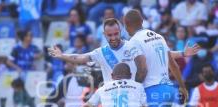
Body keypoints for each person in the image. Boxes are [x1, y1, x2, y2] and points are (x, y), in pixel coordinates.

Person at [48, 18, 200, 83]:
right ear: (104, 35)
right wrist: (62, 56)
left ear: (120, 31)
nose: (113, 37)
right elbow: (79, 58)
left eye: (116, 33)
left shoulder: (133, 45)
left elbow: (161, 53)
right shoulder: (101, 52)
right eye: (110, 35)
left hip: (133, 96)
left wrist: (182, 53)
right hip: (111, 98)